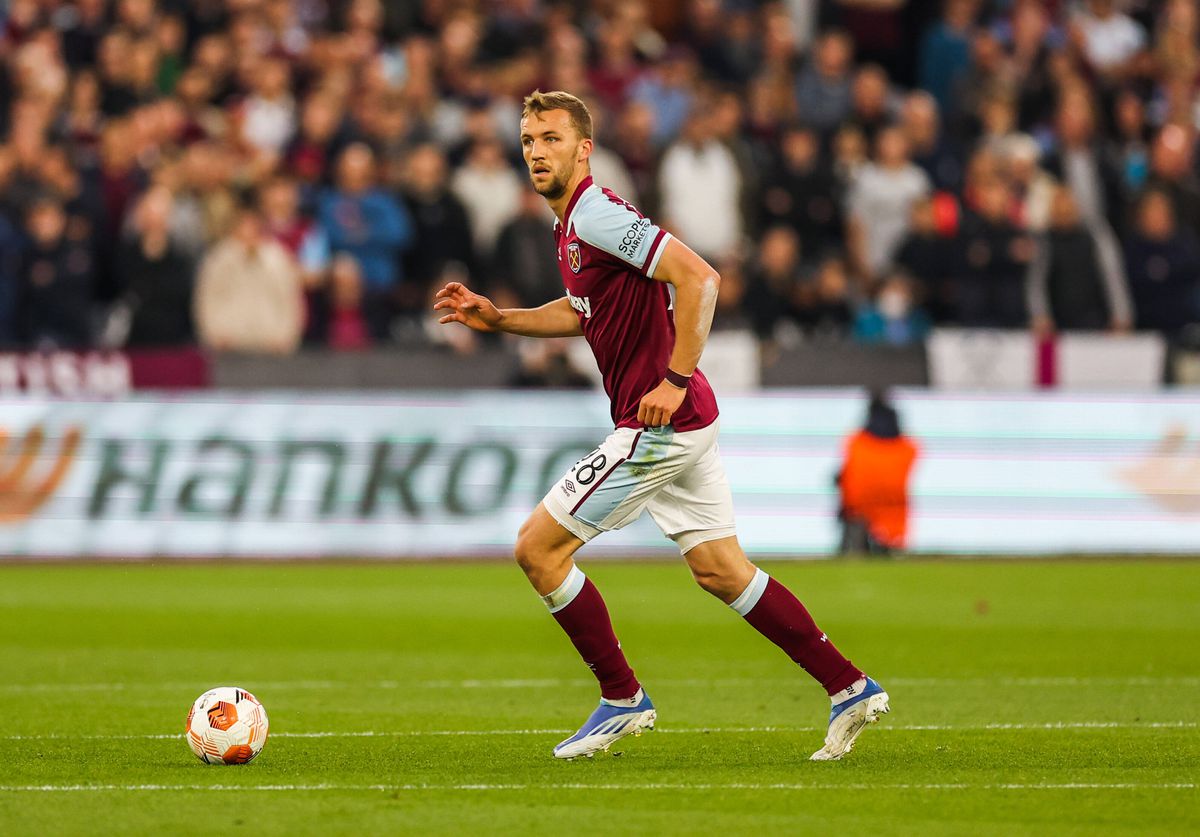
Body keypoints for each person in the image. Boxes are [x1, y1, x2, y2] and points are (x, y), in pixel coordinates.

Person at [434, 90, 888, 763]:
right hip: (685, 420)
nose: (536, 151)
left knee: (537, 549)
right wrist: (502, 319)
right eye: (529, 140)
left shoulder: (596, 213)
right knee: (721, 569)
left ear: (583, 149)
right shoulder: (570, 226)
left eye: (551, 139)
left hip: (660, 424)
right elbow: (582, 307)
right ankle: (849, 686)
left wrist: (673, 378)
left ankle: (622, 698)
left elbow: (698, 278)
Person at [836, 393, 919, 555]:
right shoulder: (906, 447)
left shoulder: (857, 443)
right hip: (893, 504)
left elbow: (850, 475)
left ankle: (857, 549)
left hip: (858, 506)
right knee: (890, 545)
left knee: (854, 546)